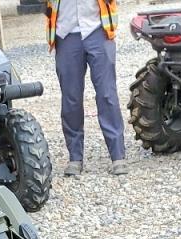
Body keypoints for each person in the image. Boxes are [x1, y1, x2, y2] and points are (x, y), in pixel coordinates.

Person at [45, 0, 127, 176]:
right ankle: (75, 157)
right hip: (65, 33)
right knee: (71, 98)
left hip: (98, 28)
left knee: (107, 94)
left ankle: (118, 156)